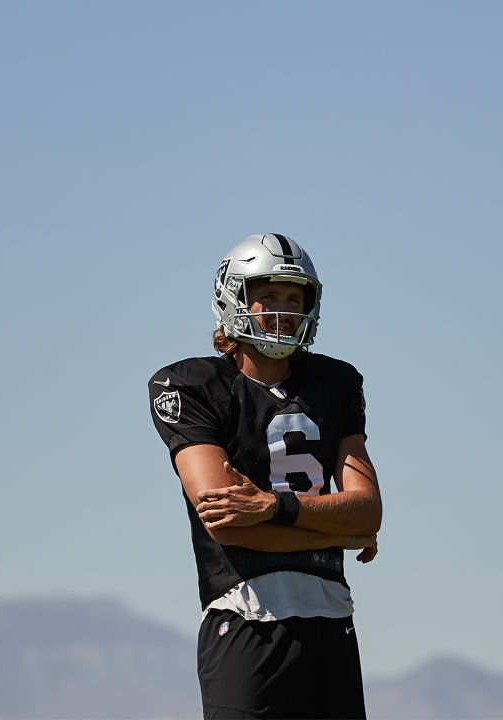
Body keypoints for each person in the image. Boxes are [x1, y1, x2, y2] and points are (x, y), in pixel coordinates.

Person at [147, 233, 382, 719]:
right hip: (246, 617)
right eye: (268, 296)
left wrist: (275, 508)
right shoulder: (191, 385)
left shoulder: (335, 383)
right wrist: (335, 532)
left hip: (330, 618)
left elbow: (369, 510)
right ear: (234, 299)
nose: (282, 310)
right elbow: (228, 526)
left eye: (294, 299)